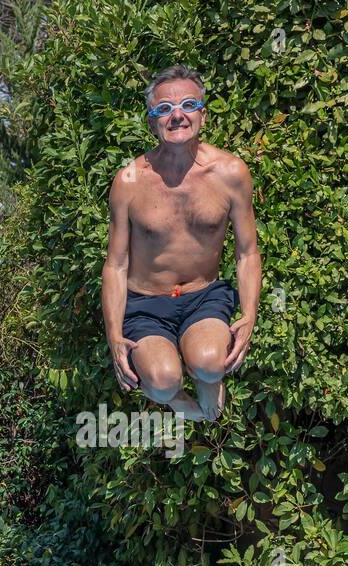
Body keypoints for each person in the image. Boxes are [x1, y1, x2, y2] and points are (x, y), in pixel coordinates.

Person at [101, 64, 261, 421]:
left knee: (208, 363)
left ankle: (203, 367)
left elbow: (247, 252)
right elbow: (116, 264)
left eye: (188, 105)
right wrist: (114, 336)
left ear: (203, 115)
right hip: (145, 305)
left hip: (203, 297)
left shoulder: (231, 173)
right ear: (151, 121)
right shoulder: (128, 181)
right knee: (160, 382)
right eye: (163, 109)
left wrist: (249, 315)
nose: (177, 116)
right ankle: (184, 397)